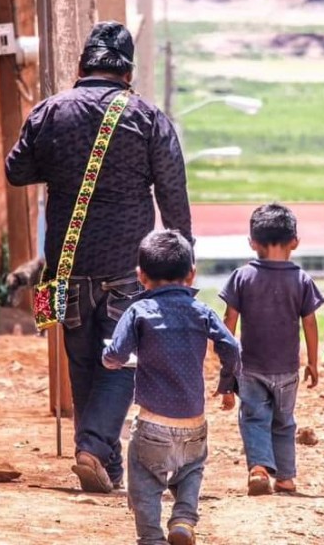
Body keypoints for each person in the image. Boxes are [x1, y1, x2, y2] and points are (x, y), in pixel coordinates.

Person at [5, 21, 192, 493]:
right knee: (122, 361)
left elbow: (17, 170)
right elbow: (172, 194)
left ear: (81, 65)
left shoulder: (50, 112)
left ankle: (103, 464)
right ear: (127, 72)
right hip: (130, 265)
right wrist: (181, 260)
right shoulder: (147, 119)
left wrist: (59, 160)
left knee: (83, 360)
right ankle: (92, 446)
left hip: (65, 264)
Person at [103, 230, 241, 545]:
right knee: (191, 471)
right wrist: (225, 382)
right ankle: (183, 519)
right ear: (191, 273)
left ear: (141, 275)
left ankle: (152, 537)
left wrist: (109, 359)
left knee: (143, 478)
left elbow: (116, 355)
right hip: (194, 421)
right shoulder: (202, 311)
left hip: (152, 422)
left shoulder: (138, 311)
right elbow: (232, 347)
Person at [220, 203, 324, 495]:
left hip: (251, 366)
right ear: (295, 242)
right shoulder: (301, 279)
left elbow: (229, 320)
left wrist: (228, 365)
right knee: (284, 421)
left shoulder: (242, 277)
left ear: (252, 243)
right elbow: (311, 324)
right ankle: (287, 478)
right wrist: (313, 363)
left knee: (254, 416)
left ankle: (259, 469)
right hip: (288, 369)